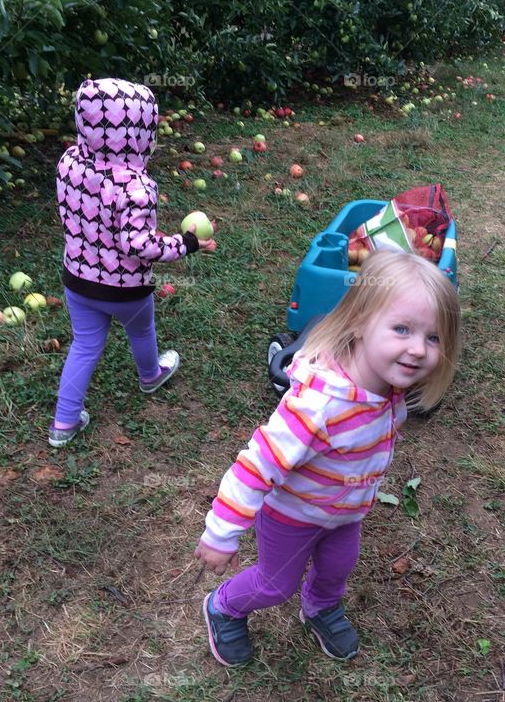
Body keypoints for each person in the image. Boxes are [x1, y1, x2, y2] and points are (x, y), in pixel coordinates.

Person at [194, 250, 461, 665]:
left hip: (345, 512)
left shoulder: (389, 389)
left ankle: (319, 606)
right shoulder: (318, 405)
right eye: (402, 329)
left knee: (339, 565)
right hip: (293, 514)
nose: (418, 349)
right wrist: (221, 533)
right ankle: (223, 606)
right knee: (274, 585)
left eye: (433, 337)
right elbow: (256, 465)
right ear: (358, 323)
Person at [49, 77, 216, 448]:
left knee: (85, 345)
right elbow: (138, 245)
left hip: (77, 278)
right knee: (140, 330)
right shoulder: (136, 186)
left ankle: (64, 423)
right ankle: (150, 374)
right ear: (140, 130)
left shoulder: (68, 164)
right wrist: (186, 244)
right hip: (125, 288)